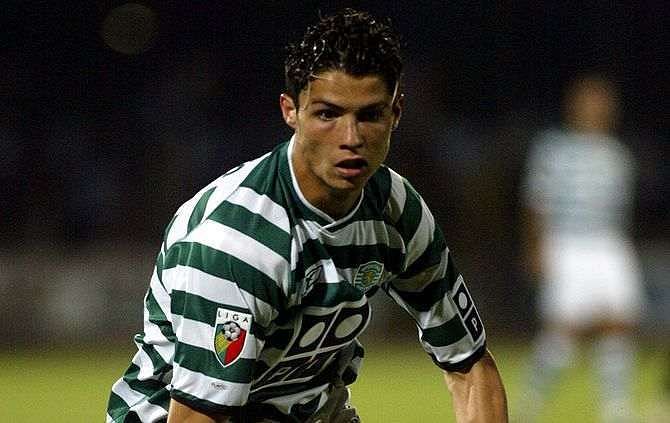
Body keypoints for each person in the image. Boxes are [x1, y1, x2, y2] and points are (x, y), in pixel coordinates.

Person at [107, 9, 508, 423]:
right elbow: (198, 417)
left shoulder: (397, 211)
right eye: (328, 114)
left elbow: (471, 366)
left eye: (370, 115)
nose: (350, 138)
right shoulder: (238, 241)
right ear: (290, 110)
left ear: (396, 113)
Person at [519, 74, 644, 422]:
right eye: (591, 100)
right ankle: (530, 405)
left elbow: (622, 210)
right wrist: (535, 247)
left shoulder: (618, 154)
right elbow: (535, 202)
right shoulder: (554, 148)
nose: (598, 108)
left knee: (620, 322)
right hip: (568, 242)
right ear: (574, 105)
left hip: (609, 243)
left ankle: (616, 411)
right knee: (564, 329)